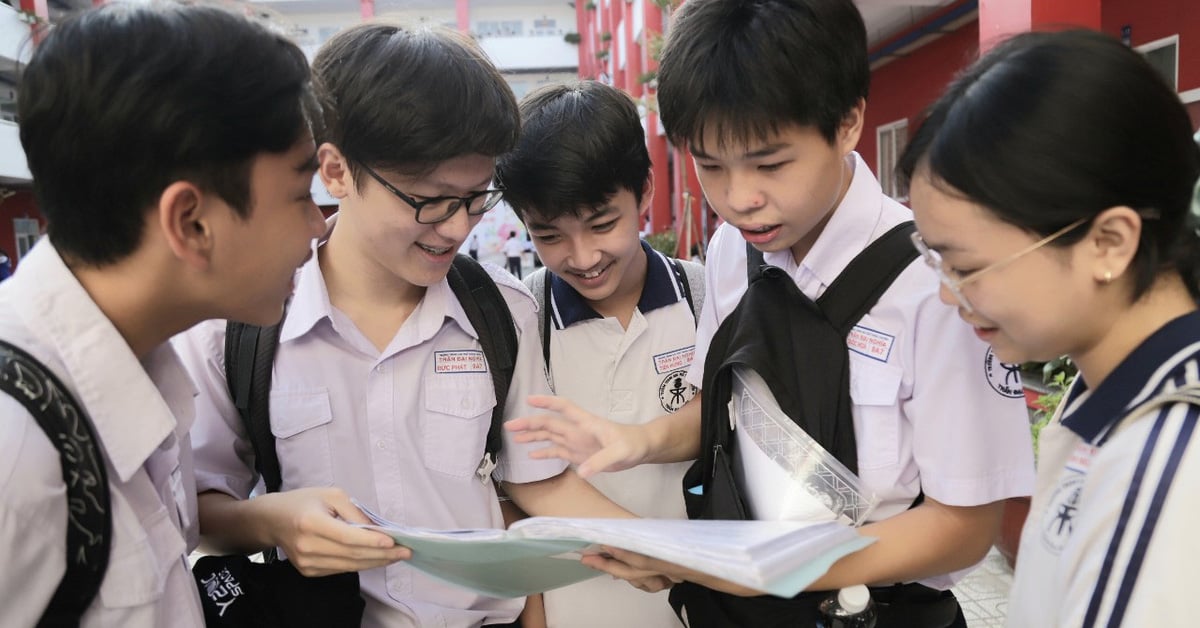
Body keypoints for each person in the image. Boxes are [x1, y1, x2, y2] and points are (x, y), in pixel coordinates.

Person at [505, 0, 1035, 625]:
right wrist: (639, 441)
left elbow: (965, 527)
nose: (740, 198)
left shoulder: (931, 280)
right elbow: (722, 406)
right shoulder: (735, 250)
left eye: (770, 163)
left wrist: (771, 570)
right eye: (710, 166)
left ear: (846, 122)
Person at [174, 22, 633, 628]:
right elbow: (196, 506)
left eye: (475, 199)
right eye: (430, 201)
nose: (455, 227)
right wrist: (274, 520)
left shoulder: (499, 311)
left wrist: (658, 547)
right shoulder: (239, 328)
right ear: (336, 171)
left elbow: (537, 483)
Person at [0, 3, 326, 625]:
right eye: (300, 194)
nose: (317, 228)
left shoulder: (146, 363)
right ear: (191, 222)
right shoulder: (15, 450)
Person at [896, 30, 1200, 627]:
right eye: (936, 262)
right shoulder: (1107, 392)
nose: (945, 293)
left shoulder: (1166, 465)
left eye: (966, 267)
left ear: (1108, 241)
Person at [495, 80, 705, 628]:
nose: (583, 257)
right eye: (549, 235)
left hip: (699, 603)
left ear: (646, 191)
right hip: (576, 609)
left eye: (602, 224)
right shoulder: (522, 320)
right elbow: (519, 479)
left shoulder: (706, 298)